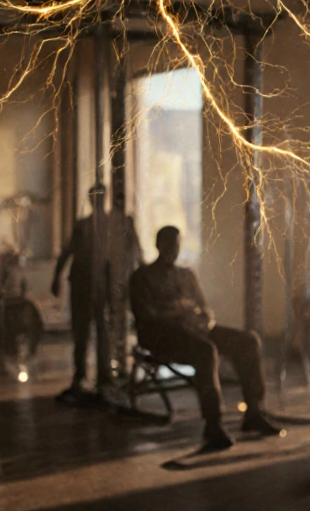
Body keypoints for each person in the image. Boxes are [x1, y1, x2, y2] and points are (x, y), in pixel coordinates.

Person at [129, 226, 282, 451]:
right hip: (164, 336)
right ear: (158, 246)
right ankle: (213, 423)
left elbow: (204, 309)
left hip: (196, 329)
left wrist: (199, 317)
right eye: (169, 245)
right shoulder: (142, 277)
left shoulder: (186, 275)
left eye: (176, 245)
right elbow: (147, 316)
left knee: (248, 341)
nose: (173, 250)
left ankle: (254, 411)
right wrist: (179, 312)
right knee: (205, 351)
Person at [51, 185, 141, 401]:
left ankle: (104, 377)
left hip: (103, 286)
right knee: (82, 333)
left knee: (103, 331)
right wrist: (56, 278)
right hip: (84, 284)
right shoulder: (85, 225)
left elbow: (133, 253)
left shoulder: (116, 224)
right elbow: (67, 252)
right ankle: (83, 375)